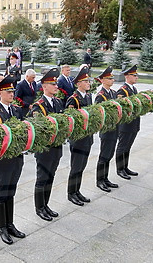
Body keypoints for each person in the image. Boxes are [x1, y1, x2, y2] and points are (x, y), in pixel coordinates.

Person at [0, 75, 26, 245]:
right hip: (3, 161)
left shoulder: (16, 110)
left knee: (11, 192)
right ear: (0, 92)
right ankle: (2, 227)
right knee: (1, 193)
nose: (12, 94)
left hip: (17, 158)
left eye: (13, 91)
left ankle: (10, 224)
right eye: (9, 91)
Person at [29, 68, 64, 221]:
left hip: (56, 148)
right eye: (52, 84)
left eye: (56, 84)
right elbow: (40, 128)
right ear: (44, 86)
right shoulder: (38, 106)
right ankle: (39, 208)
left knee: (51, 177)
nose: (56, 86)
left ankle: (46, 205)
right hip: (45, 150)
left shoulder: (58, 102)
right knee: (42, 178)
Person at [65, 66, 93, 206]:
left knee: (82, 166)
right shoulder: (73, 99)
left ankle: (77, 191)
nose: (88, 83)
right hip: (78, 139)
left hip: (87, 138)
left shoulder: (88, 96)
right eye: (86, 81)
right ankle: (71, 193)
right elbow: (71, 121)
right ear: (79, 84)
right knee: (76, 167)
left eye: (88, 81)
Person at [94, 66, 119, 192]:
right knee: (104, 156)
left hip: (115, 129)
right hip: (107, 131)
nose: (112, 80)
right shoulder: (101, 96)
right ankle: (100, 180)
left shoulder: (113, 93)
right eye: (109, 78)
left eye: (112, 78)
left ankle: (106, 178)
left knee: (109, 155)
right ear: (103, 80)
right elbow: (99, 115)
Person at [115, 64, 140, 180]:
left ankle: (125, 167)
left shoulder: (133, 89)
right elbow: (121, 109)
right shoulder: (122, 91)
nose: (137, 77)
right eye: (134, 75)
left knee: (128, 147)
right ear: (127, 76)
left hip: (133, 124)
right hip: (126, 125)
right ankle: (120, 169)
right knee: (122, 146)